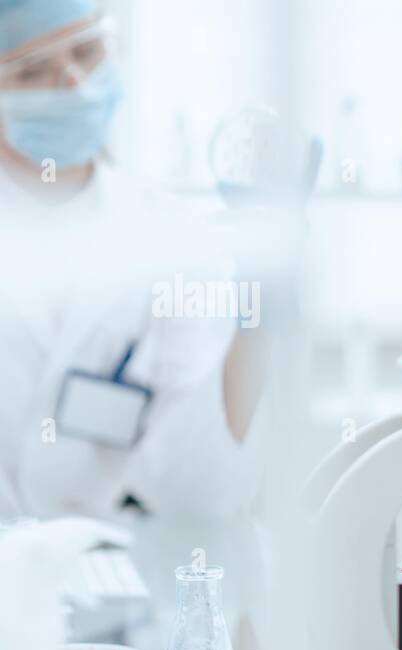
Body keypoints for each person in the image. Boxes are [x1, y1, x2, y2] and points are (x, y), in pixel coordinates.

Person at [0, 0, 264, 521]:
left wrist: (260, 320)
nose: (75, 85)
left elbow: (195, 493)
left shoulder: (171, 239)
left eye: (87, 52)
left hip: (101, 571)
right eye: (33, 71)